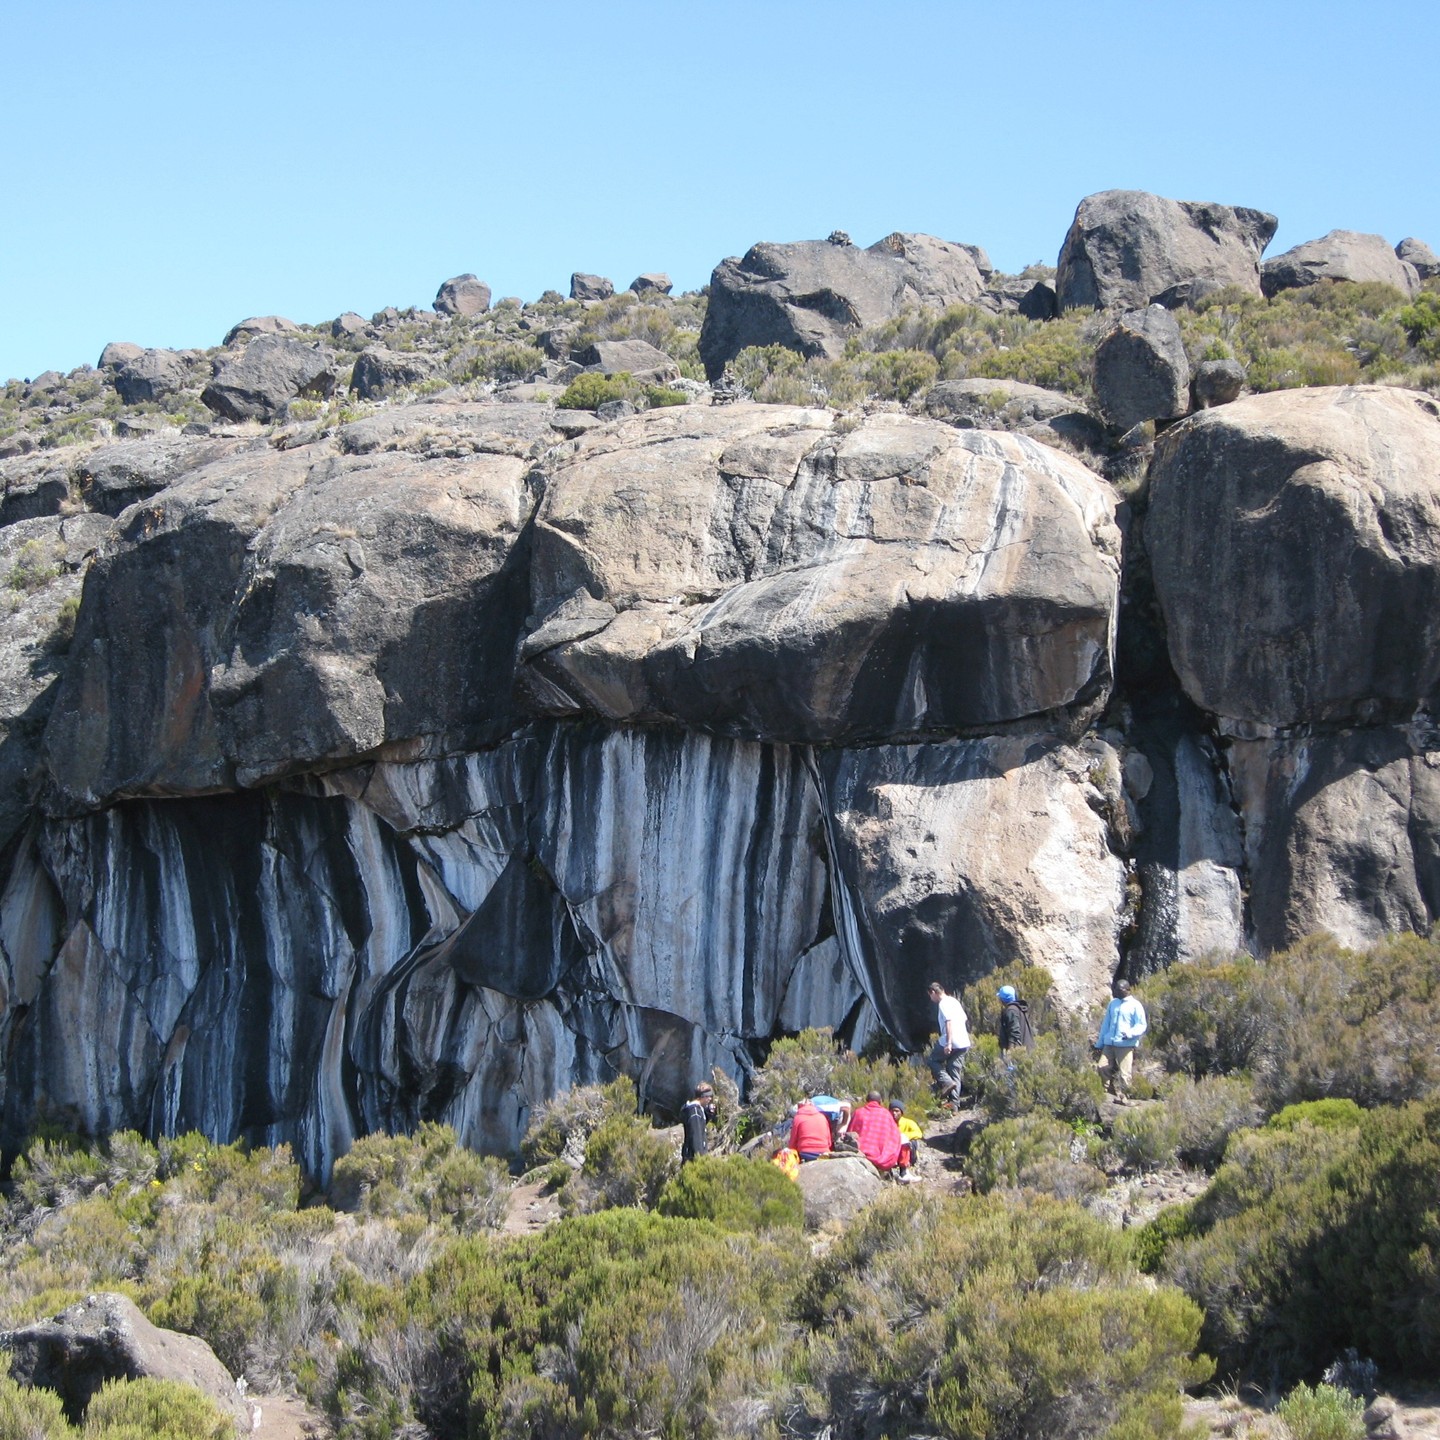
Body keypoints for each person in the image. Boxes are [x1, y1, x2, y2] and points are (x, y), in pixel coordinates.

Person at [1094, 979, 1148, 1101]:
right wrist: (1100, 1043)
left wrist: (1130, 1033)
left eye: (1119, 990)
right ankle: (1106, 1091)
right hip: (1110, 1043)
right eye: (1115, 989)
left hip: (1125, 1045)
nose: (1116, 992)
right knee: (1102, 1067)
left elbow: (1141, 1025)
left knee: (1125, 1074)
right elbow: (1106, 1024)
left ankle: (1126, 1096)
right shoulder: (1113, 1004)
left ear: (1128, 990)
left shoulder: (1135, 1005)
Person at [927, 981, 970, 1101]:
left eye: (930, 995)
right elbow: (964, 1019)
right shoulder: (954, 1001)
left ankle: (946, 1082)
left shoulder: (943, 1004)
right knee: (954, 1070)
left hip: (952, 1040)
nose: (931, 999)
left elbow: (948, 1021)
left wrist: (949, 1043)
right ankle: (954, 1105)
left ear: (934, 992)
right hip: (963, 1041)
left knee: (932, 1061)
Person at [847, 1091, 903, 1173]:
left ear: (867, 1100)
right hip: (880, 1157)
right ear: (880, 1101)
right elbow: (895, 1136)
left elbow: (850, 1132)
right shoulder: (886, 1114)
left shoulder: (858, 1112)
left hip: (859, 1153)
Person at [680, 1081, 716, 1161]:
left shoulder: (697, 1110)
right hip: (692, 1157)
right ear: (702, 1096)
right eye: (708, 1096)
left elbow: (701, 1126)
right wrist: (699, 1157)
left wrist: (708, 1114)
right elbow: (696, 1134)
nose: (710, 1099)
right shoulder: (695, 1112)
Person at [889, 1099, 923, 1181]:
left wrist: (902, 1136)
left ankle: (904, 1171)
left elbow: (919, 1133)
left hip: (905, 1149)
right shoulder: (887, 1123)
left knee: (911, 1142)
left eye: (897, 1111)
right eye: (892, 1111)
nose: (894, 1113)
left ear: (901, 1112)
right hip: (891, 1149)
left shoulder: (909, 1122)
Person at [997, 984, 1035, 1053]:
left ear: (1002, 999)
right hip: (1026, 1050)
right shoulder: (1018, 1009)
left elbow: (1014, 1032)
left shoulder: (1011, 1011)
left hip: (1019, 1053)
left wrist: (1011, 1052)